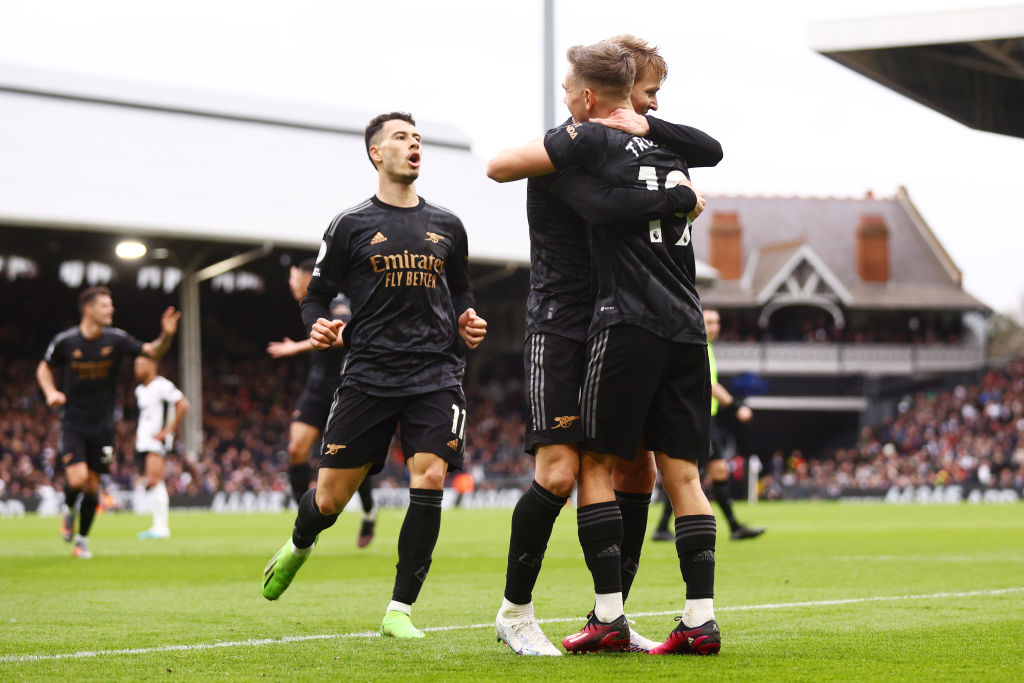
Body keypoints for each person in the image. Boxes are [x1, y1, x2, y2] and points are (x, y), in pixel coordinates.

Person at [489, 36, 722, 656]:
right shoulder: (569, 150)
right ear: (607, 97)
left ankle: (611, 614)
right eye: (647, 93)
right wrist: (676, 199)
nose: (648, 105)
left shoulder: (627, 145)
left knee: (637, 470)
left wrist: (652, 142)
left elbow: (704, 150)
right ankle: (516, 610)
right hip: (563, 324)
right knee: (564, 471)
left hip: (619, 325)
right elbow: (593, 205)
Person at [261, 112, 487, 640]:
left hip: (435, 371)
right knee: (330, 500)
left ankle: (399, 610)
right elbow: (317, 295)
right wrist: (315, 324)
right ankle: (299, 543)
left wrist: (467, 325)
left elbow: (462, 295)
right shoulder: (349, 224)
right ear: (375, 153)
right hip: (367, 375)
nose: (413, 146)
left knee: (428, 476)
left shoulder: (449, 225)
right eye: (401, 138)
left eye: (418, 139)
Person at [36, 286, 180, 558]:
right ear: (88, 310)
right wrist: (51, 392)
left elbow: (152, 352)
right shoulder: (66, 341)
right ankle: (68, 510)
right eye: (105, 306)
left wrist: (167, 336)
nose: (111, 310)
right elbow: (44, 366)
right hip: (74, 422)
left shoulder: (116, 339)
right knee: (77, 480)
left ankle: (82, 541)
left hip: (103, 427)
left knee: (92, 486)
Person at [267, 258, 377, 547]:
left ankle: (369, 511)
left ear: (305, 277)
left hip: (345, 387)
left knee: (352, 458)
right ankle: (305, 522)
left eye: (293, 278)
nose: (290, 285)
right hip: (316, 389)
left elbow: (344, 334)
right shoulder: (307, 304)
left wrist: (296, 347)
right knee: (295, 450)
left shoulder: (335, 300)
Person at [653, 308, 765, 542]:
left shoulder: (706, 348)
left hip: (704, 419)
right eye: (710, 322)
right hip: (696, 419)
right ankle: (729, 526)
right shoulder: (698, 348)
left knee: (710, 471)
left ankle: (731, 526)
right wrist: (737, 407)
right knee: (692, 473)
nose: (715, 326)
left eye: (717, 322)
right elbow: (711, 386)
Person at [133, 355, 189, 540]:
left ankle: (161, 527)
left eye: (141, 363)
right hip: (144, 442)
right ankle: (157, 525)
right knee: (151, 481)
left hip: (157, 441)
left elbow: (183, 404)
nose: (137, 367)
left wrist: (169, 430)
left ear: (152, 365)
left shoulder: (162, 385)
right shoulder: (140, 390)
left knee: (155, 480)